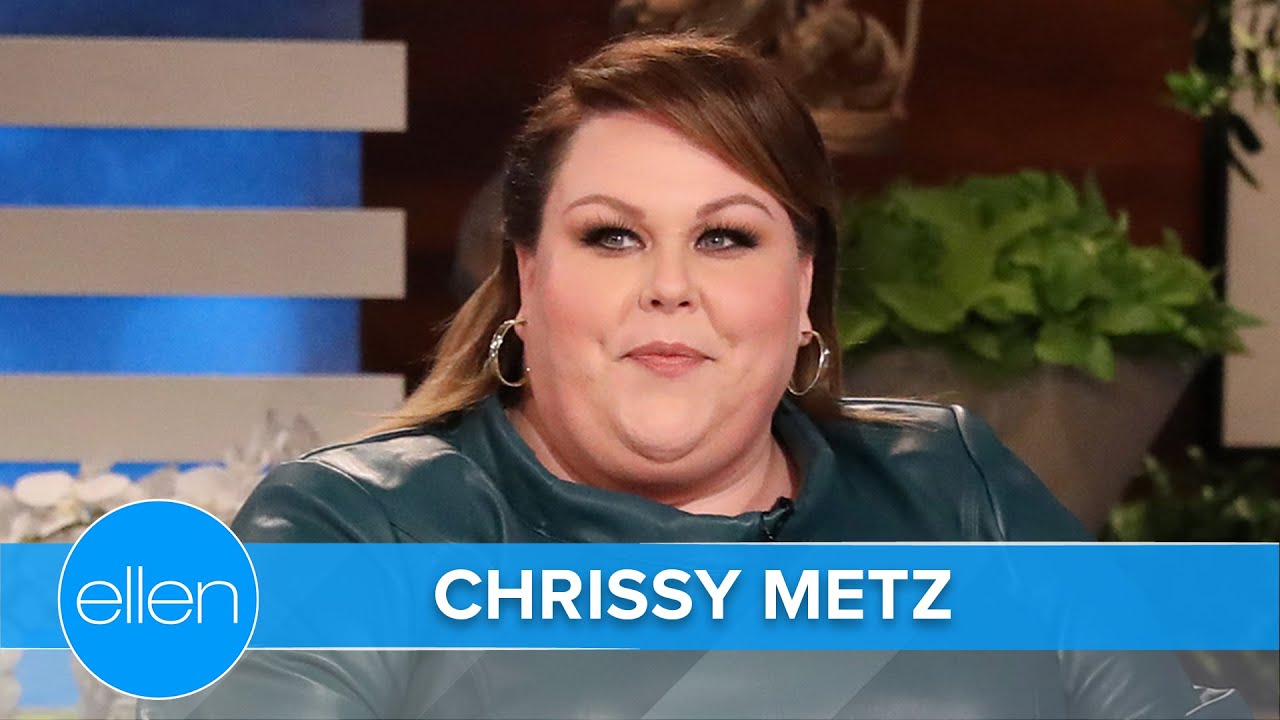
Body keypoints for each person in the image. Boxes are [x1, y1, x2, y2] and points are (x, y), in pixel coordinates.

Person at [140, 33, 1250, 720]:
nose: (669, 286)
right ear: (528, 277)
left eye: (726, 238)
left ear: (802, 286)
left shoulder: (955, 487)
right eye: (612, 236)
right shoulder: (351, 536)